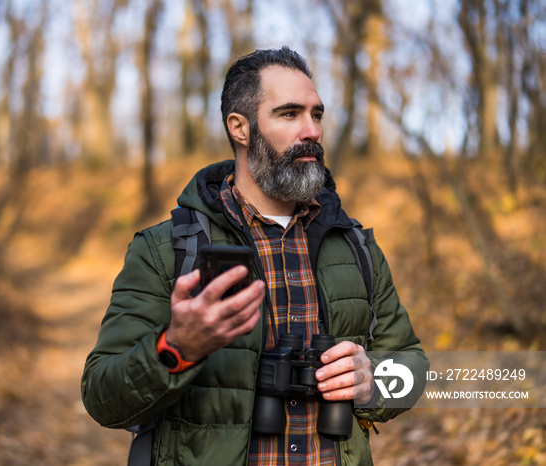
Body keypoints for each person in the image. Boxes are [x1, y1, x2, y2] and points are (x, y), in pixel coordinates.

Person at [81, 46, 428, 465]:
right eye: (289, 114)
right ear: (240, 128)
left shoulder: (354, 246)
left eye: (316, 114)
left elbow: (413, 369)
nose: (312, 131)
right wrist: (176, 347)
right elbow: (103, 396)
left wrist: (373, 381)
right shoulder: (166, 249)